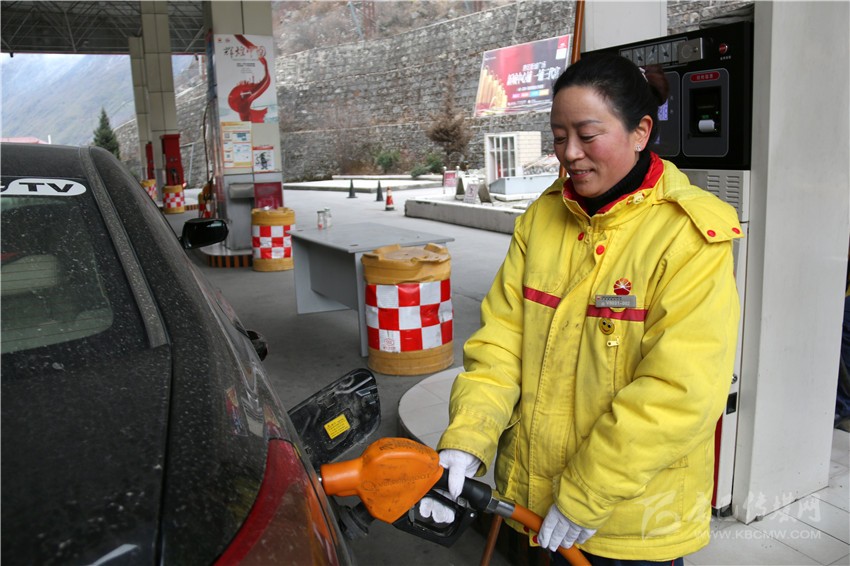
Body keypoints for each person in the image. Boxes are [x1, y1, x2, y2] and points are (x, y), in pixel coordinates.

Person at [420, 53, 743, 564]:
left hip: (630, 523)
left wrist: (586, 494)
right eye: (558, 136)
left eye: (588, 135)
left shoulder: (687, 236)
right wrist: (468, 438)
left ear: (640, 132)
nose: (570, 153)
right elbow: (501, 345)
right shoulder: (543, 219)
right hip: (531, 504)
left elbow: (680, 391)